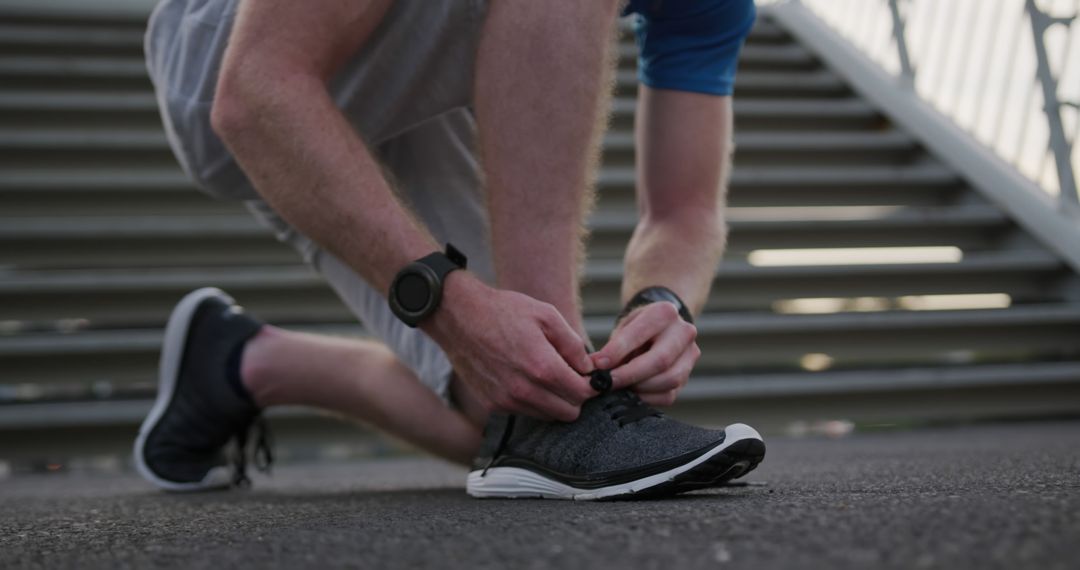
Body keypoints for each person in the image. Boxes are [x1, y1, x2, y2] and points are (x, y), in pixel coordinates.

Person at [134, 0, 766, 500]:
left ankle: (242, 363)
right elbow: (252, 92)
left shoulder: (713, 5)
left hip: (397, 95)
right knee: (548, 410)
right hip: (236, 61)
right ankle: (560, 371)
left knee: (515, 406)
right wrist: (454, 309)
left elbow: (686, 211)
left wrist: (665, 302)